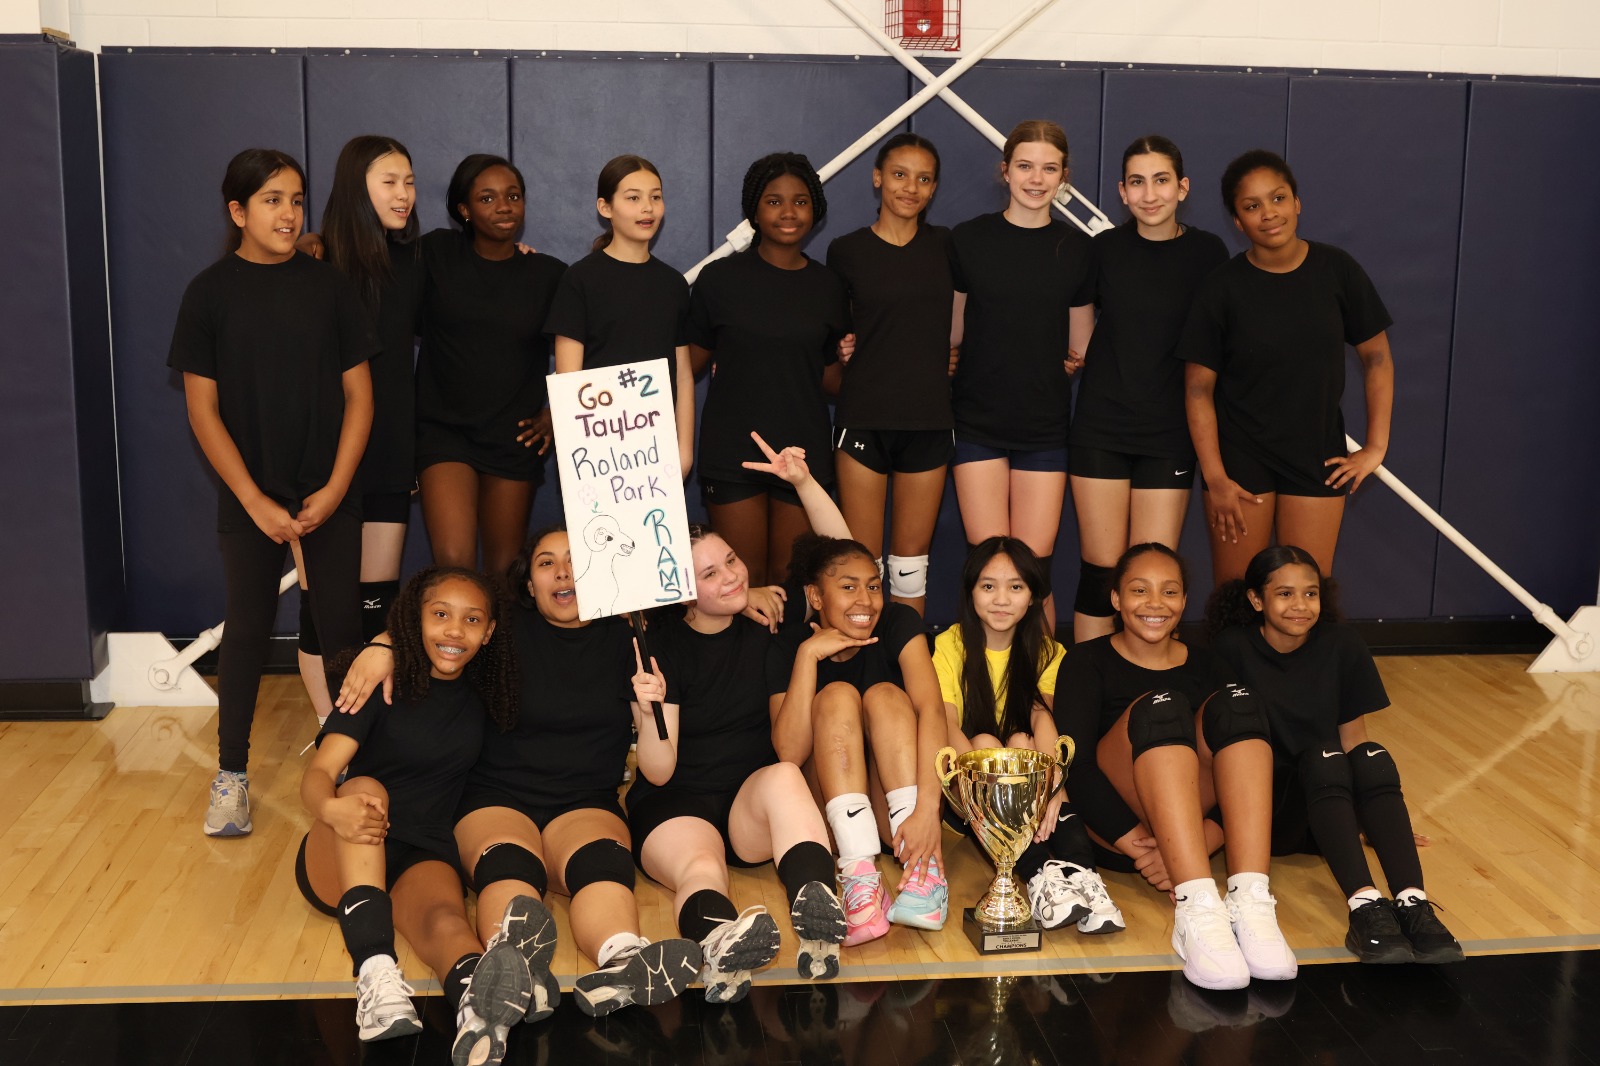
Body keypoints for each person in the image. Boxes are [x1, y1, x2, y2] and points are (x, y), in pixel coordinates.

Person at [337, 528, 703, 1017]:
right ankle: (513, 969)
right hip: (495, 797)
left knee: (603, 864)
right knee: (510, 865)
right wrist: (384, 643)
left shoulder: (634, 641)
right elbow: (441, 623)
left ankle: (623, 960)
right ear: (529, 584)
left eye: (575, 559)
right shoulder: (501, 630)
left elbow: (657, 772)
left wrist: (649, 705)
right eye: (546, 563)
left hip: (585, 799)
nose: (563, 572)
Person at [169, 147, 375, 837]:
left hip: (329, 489)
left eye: (295, 199)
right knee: (250, 630)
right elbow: (203, 411)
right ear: (238, 212)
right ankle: (231, 775)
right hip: (249, 495)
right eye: (271, 201)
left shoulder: (331, 287)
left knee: (341, 630)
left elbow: (359, 397)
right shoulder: (209, 292)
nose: (288, 214)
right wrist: (255, 500)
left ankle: (350, 763)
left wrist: (337, 486)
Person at [628, 436, 851, 1003]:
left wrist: (801, 482)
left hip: (748, 806)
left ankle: (819, 921)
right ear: (681, 591)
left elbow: (845, 560)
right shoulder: (661, 648)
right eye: (708, 574)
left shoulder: (770, 623)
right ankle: (721, 944)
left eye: (731, 561)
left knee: (784, 775)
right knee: (703, 868)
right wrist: (647, 707)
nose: (728, 577)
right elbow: (656, 773)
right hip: (677, 805)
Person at [298, 567, 547, 1065]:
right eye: (439, 615)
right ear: (415, 619)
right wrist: (332, 808)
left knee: (449, 920)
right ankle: (375, 974)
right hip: (345, 845)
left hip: (422, 845)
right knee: (366, 790)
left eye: (471, 619)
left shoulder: (487, 691)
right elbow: (319, 772)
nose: (454, 631)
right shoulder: (379, 681)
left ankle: (480, 1011)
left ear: (489, 631)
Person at [1054, 543, 1297, 990]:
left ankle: (1250, 902)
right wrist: (1140, 847)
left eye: (1169, 592)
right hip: (1122, 829)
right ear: (1115, 599)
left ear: (1184, 602)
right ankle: (1198, 908)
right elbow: (1077, 768)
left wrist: (1205, 839)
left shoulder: (1210, 665)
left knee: (1240, 706)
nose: (1154, 604)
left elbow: (1249, 776)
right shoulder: (1085, 661)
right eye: (1139, 590)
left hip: (1190, 835)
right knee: (1162, 709)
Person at [1207, 545, 1464, 966]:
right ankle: (1364, 908)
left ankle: (1412, 903)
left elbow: (1354, 738)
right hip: (1265, 811)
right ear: (1256, 600)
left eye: (1310, 594)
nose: (1300, 606)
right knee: (1325, 758)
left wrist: (1373, 820)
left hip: (1326, 813)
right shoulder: (1232, 648)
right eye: (1285, 594)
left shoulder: (1341, 643)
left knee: (1372, 754)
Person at [1181, 149, 1396, 585]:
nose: (1268, 214)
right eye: (1252, 206)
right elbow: (1198, 390)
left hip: (1317, 454)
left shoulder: (1338, 271)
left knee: (1304, 590)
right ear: (1237, 222)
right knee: (1238, 594)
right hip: (1240, 461)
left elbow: (1376, 358)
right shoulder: (1221, 287)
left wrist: (1376, 447)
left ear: (1297, 202)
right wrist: (1217, 477)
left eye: (1278, 198)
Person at [1069, 135, 1228, 642]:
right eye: (1137, 182)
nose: (1150, 193)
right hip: (1101, 427)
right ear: (1122, 191)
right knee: (1102, 571)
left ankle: (1153, 696)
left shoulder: (1208, 252)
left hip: (1170, 433)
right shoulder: (1104, 250)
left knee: (1152, 578)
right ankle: (1087, 694)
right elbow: (1079, 327)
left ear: (1182, 187)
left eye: (1161, 180)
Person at [292, 135, 427, 725]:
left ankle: (362, 724)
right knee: (320, 607)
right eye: (388, 182)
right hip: (321, 459)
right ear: (356, 187)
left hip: (390, 450)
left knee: (378, 603)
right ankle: (331, 727)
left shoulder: (417, 261)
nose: (403, 194)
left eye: (409, 181)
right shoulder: (313, 262)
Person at [932, 537, 1124, 934]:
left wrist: (1052, 784)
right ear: (970, 592)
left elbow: (1042, 719)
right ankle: (1039, 878)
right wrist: (978, 782)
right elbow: (946, 723)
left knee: (1024, 744)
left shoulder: (1049, 653)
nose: (1001, 599)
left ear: (1034, 596)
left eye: (1016, 587)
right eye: (988, 586)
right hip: (969, 793)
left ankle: (1083, 876)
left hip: (1030, 780)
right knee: (987, 746)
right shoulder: (948, 644)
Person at [948, 119, 1096, 632]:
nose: (1036, 178)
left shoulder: (1076, 249)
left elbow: (1081, 343)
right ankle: (982, 692)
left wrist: (1070, 360)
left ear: (1064, 177)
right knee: (990, 570)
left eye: (1049, 168)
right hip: (978, 424)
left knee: (1032, 572)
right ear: (1005, 171)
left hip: (1043, 427)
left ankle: (1040, 692)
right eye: (1025, 166)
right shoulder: (968, 240)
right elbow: (953, 332)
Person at [767, 534, 949, 945]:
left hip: (896, 814)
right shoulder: (789, 644)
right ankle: (858, 876)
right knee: (836, 696)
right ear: (815, 595)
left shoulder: (899, 623)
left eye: (872, 585)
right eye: (848, 587)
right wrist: (808, 657)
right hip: (826, 814)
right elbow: (789, 754)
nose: (865, 600)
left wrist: (927, 809)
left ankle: (924, 874)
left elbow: (932, 711)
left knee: (886, 695)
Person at [689, 153, 848, 585]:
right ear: (754, 211)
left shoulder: (829, 286)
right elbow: (685, 368)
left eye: (800, 201)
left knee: (791, 581)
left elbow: (829, 380)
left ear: (815, 210)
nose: (788, 212)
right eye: (774, 201)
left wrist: (860, 361)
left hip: (802, 452)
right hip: (732, 450)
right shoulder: (719, 280)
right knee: (741, 580)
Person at [415, 154, 567, 575]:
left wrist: (559, 411)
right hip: (444, 430)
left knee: (504, 572)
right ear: (463, 210)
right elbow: (371, 262)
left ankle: (499, 644)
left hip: (513, 436)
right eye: (487, 198)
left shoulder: (548, 274)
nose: (504, 207)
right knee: (455, 565)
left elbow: (589, 344)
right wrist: (314, 242)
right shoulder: (436, 253)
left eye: (513, 196)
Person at [825, 133, 955, 616]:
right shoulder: (846, 250)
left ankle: (906, 672)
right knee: (861, 569)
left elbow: (973, 314)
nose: (910, 187)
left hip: (927, 422)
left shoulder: (946, 246)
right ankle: (859, 670)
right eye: (899, 174)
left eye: (923, 179)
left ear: (934, 188)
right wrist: (839, 347)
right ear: (878, 178)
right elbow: (832, 331)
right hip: (864, 417)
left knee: (909, 567)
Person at [547, 153, 695, 480]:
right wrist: (581, 457)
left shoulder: (673, 284)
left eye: (655, 197)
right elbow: (569, 380)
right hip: (595, 459)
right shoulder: (580, 279)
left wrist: (684, 454)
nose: (647, 207)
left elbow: (682, 374)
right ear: (605, 208)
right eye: (633, 198)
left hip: (659, 455)